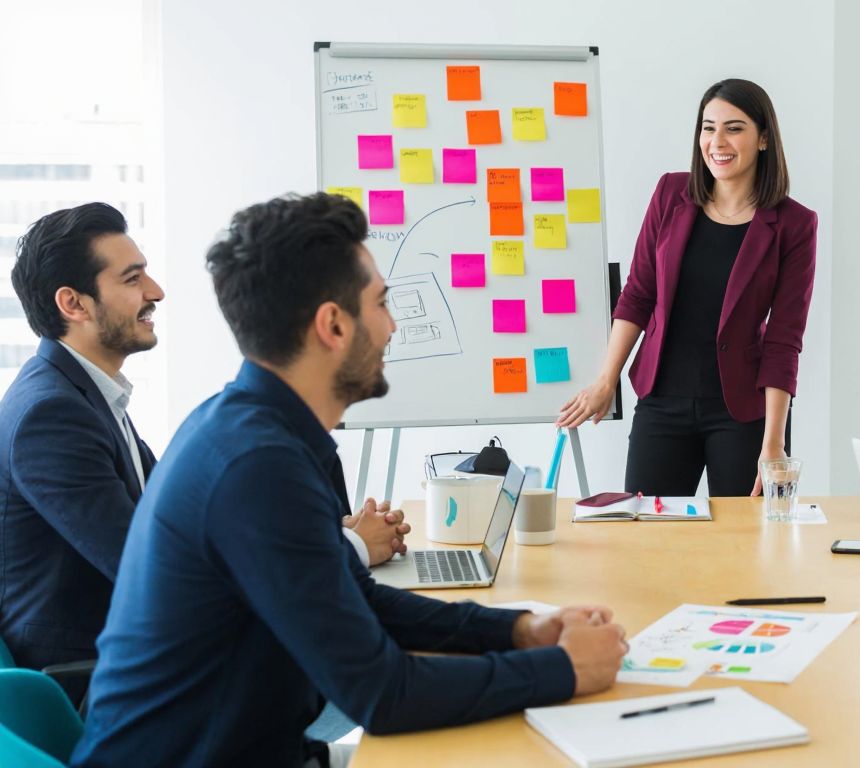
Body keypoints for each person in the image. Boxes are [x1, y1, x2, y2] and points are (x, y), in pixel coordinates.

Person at [71, 193, 628, 767]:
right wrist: (563, 669)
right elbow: (383, 694)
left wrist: (521, 630)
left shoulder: (253, 427)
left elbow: (359, 601)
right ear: (333, 325)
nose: (391, 327)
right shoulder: (257, 466)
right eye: (381, 304)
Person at [0, 203, 407, 705]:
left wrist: (316, 538)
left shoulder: (84, 395)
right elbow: (148, 569)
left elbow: (178, 533)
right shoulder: (51, 416)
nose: (155, 292)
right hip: (95, 681)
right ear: (74, 304)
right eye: (132, 279)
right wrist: (351, 551)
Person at [557, 78, 817, 497]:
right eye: (708, 127)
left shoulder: (794, 225)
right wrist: (608, 379)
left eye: (734, 128)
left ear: (764, 138)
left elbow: (785, 339)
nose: (717, 141)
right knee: (648, 540)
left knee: (743, 548)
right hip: (662, 401)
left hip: (743, 412)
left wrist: (774, 444)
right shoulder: (671, 193)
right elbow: (638, 294)